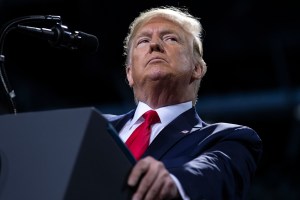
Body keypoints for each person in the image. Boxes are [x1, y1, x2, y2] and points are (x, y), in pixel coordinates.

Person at [104, 5, 263, 200]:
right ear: (129, 74)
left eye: (170, 38)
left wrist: (174, 182)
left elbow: (211, 172)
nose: (154, 45)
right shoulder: (95, 126)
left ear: (197, 68)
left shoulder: (230, 139)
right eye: (143, 41)